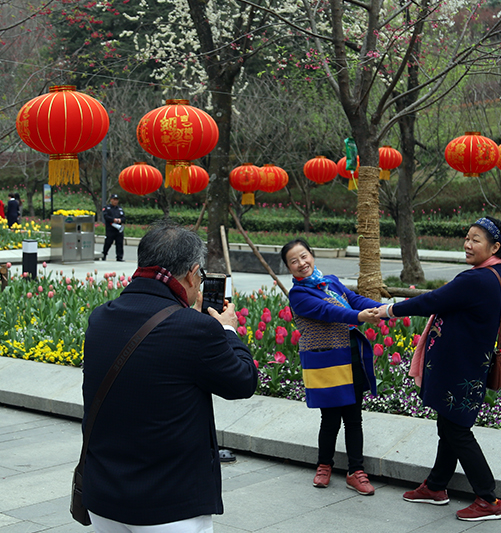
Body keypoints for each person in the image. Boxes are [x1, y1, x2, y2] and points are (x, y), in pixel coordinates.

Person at [82, 222, 258, 532]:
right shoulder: (196, 329)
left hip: (103, 499)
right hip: (169, 506)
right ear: (192, 274)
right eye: (200, 277)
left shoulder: (101, 316)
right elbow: (243, 381)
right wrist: (227, 329)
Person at [378, 216, 501, 522]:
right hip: (469, 365)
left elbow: (431, 301)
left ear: (494, 247)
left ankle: (488, 499)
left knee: (457, 430)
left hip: (459, 368)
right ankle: (436, 486)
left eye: (476, 240)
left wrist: (389, 310)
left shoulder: (477, 280)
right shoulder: (500, 275)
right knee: (448, 426)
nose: (467, 244)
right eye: (467, 238)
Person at [281, 238, 382, 495]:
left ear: (312, 255)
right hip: (325, 361)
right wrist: (358, 316)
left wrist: (385, 309)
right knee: (330, 419)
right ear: (289, 268)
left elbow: (355, 300)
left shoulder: (332, 282)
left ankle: (356, 471)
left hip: (350, 356)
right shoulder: (299, 295)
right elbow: (328, 311)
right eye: (294, 261)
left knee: (354, 418)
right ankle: (324, 465)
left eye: (304, 256)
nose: (301, 263)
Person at [102, 193, 125, 261]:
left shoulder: (119, 209)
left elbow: (124, 218)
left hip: (118, 229)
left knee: (119, 243)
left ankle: (119, 257)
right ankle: (104, 255)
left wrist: (120, 220)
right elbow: (106, 216)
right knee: (108, 243)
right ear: (111, 200)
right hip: (110, 229)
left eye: (116, 200)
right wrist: (113, 220)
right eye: (114, 199)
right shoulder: (107, 208)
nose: (115, 201)